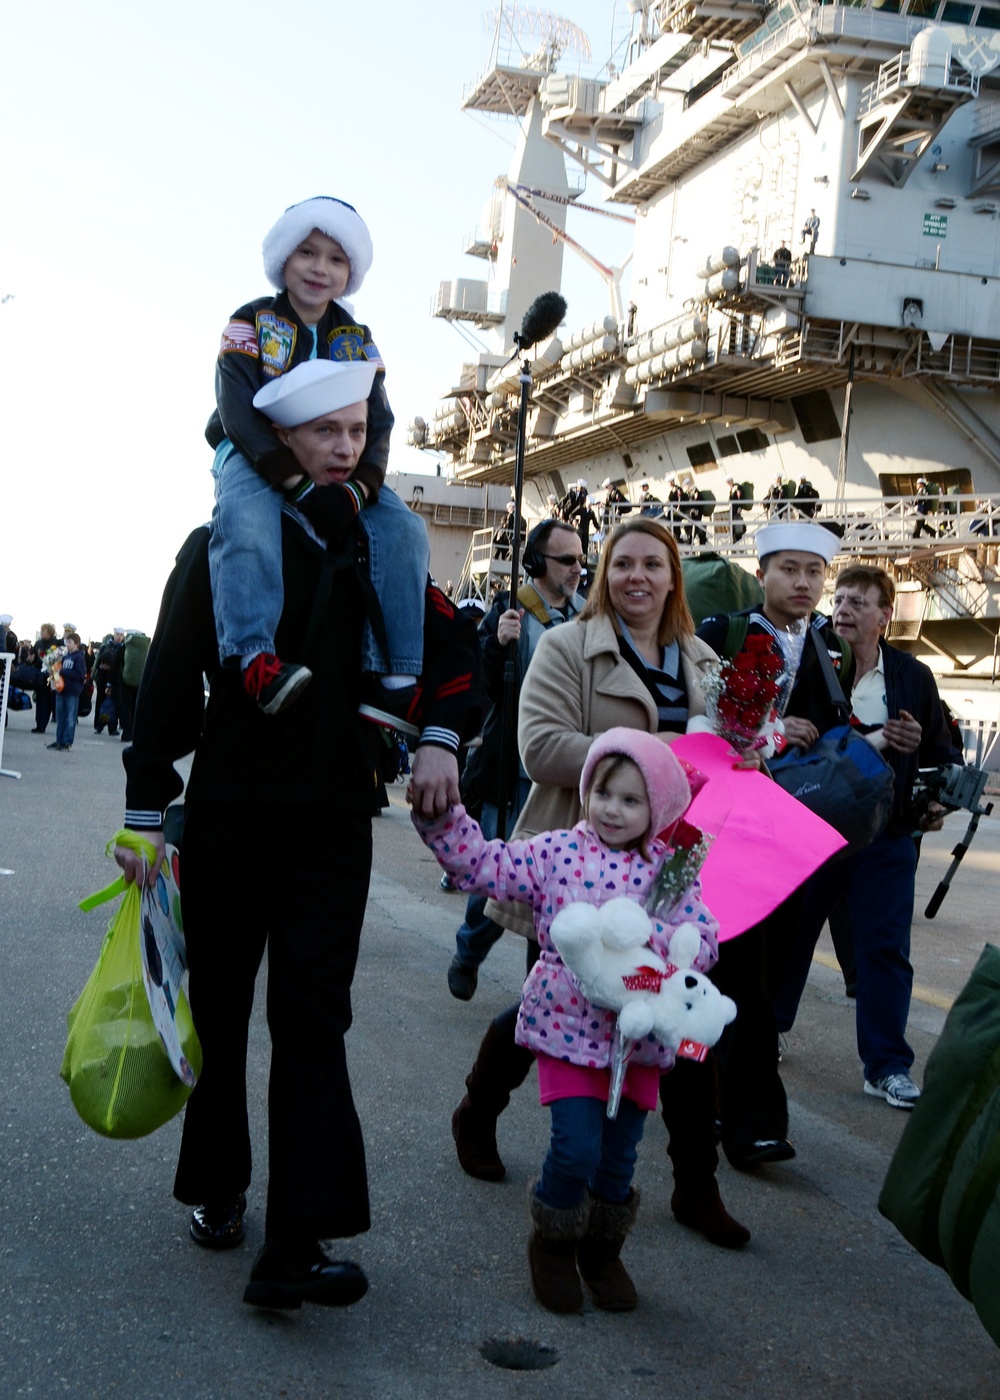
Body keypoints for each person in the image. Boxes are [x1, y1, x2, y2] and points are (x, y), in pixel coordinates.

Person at [114, 359, 484, 1311]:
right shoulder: (222, 543)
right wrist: (145, 813)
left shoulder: (384, 547)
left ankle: (299, 1238)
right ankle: (220, 1191)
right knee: (225, 1007)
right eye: (323, 431)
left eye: (356, 431)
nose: (343, 447)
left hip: (332, 819)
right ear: (282, 440)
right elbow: (169, 684)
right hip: (231, 812)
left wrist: (440, 735)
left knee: (315, 1017)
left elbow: (454, 653)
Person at [453, 517, 751, 1251]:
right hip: (576, 868)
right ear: (602, 574)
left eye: (655, 564)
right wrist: (659, 760)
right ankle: (478, 1107)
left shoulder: (704, 661)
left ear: (674, 578)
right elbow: (540, 747)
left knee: (676, 1025)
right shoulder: (564, 648)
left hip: (673, 873)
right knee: (552, 1015)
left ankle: (693, 1182)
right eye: (623, 564)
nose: (638, 578)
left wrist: (751, 748)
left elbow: (723, 764)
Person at [416, 728, 718, 1313]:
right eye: (604, 793)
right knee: (576, 1147)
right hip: (567, 1029)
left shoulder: (672, 874)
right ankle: (553, 1243)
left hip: (639, 1044)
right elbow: (488, 867)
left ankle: (602, 1251)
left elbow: (702, 940)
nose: (612, 809)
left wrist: (653, 940)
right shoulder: (558, 851)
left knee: (619, 1158)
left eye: (632, 801)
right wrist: (442, 821)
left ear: (658, 806)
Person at [206, 194, 429, 723]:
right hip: (252, 452)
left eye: (335, 258)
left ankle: (395, 677)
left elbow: (377, 422)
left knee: (404, 529)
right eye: (307, 252)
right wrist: (293, 482)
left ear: (351, 272)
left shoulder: (359, 341)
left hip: (338, 459)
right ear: (284, 257)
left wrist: (358, 492)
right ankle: (255, 659)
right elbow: (235, 407)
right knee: (246, 517)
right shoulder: (249, 321)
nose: (319, 268)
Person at [771, 565, 961, 1109]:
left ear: (885, 615)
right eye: (842, 599)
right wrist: (794, 733)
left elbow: (942, 757)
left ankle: (886, 1066)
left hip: (886, 837)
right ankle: (768, 1034)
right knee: (790, 944)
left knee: (886, 954)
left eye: (860, 602)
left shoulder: (912, 677)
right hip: (812, 832)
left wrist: (933, 800)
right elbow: (774, 742)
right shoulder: (809, 666)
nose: (846, 609)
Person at [697, 520, 846, 1168]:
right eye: (790, 568)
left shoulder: (828, 646)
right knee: (721, 969)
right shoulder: (725, 634)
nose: (803, 583)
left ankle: (734, 1108)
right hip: (720, 829)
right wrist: (771, 729)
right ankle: (740, 1116)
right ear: (763, 573)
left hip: (791, 835)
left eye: (814, 572)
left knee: (766, 973)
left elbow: (839, 727)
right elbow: (693, 724)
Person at [446, 519, 585, 1001]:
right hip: (515, 772)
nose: (577, 569)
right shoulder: (509, 611)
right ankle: (468, 952)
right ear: (535, 563)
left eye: (580, 559)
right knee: (498, 883)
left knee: (554, 889)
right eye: (567, 560)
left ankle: (539, 991)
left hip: (567, 774)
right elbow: (477, 687)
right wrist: (495, 644)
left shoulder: (590, 616)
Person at [48, 631, 86, 751]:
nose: (67, 644)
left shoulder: (78, 657)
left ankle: (67, 742)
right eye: (66, 642)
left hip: (72, 691)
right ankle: (59, 740)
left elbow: (80, 674)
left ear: (76, 644)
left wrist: (63, 672)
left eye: (70, 642)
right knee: (61, 717)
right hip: (61, 689)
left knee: (70, 717)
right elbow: (59, 670)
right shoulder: (65, 657)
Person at [29, 623, 59, 734]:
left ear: (50, 632)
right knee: (41, 700)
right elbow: (33, 657)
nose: (42, 633)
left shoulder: (56, 643)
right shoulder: (38, 643)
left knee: (50, 701)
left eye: (44, 631)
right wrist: (31, 658)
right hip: (40, 675)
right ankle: (40, 724)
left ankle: (44, 722)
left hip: (52, 676)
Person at [726, 477, 748, 543]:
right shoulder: (732, 488)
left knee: (736, 522)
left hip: (736, 508)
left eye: (728, 482)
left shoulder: (737, 487)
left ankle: (737, 538)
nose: (728, 484)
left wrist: (740, 507)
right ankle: (734, 539)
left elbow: (739, 497)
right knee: (733, 523)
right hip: (733, 508)